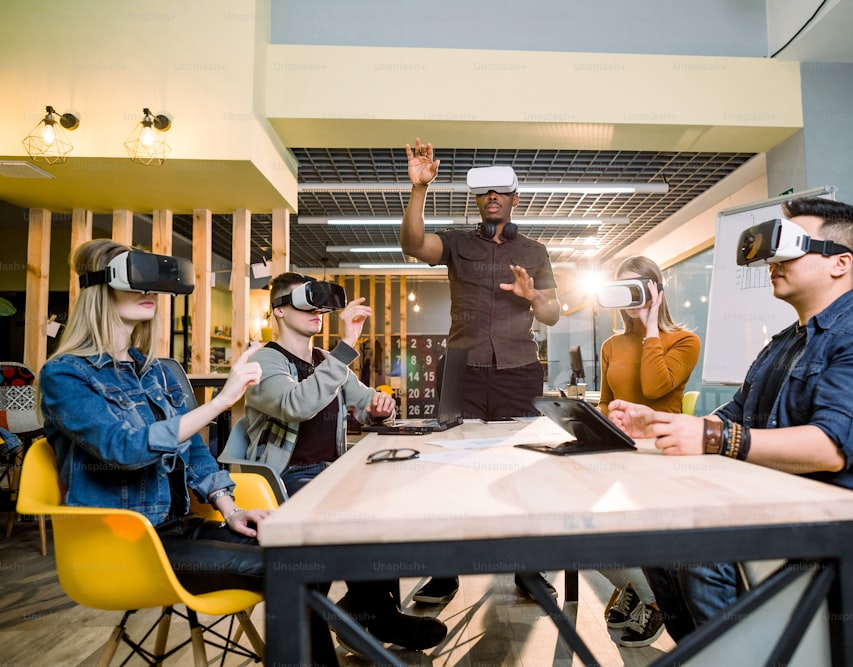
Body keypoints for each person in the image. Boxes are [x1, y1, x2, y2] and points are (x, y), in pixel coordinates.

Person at [608, 197, 853, 645]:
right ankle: (704, 653)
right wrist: (658, 424)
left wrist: (714, 437)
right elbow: (735, 414)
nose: (771, 261)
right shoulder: (783, 343)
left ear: (840, 263)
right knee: (659, 528)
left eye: (790, 246)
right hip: (780, 497)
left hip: (849, 517)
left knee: (703, 547)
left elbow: (828, 449)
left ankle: (746, 655)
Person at [37, 239, 339, 664]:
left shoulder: (157, 372)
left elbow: (195, 453)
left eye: (153, 286)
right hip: (129, 545)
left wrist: (231, 510)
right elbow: (122, 449)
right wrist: (218, 402)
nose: (149, 294)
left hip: (179, 529)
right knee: (294, 572)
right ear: (99, 289)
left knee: (306, 557)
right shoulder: (64, 375)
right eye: (136, 282)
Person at [243, 272, 448, 653]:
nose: (315, 310)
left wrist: (378, 407)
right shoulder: (262, 362)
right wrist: (347, 344)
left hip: (332, 474)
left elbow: (364, 401)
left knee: (390, 509)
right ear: (278, 312)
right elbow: (297, 405)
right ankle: (364, 618)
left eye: (317, 302)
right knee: (354, 521)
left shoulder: (324, 360)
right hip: (286, 482)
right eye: (302, 302)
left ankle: (367, 611)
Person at [400, 137, 561, 605]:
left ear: (513, 199)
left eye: (501, 191)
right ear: (478, 199)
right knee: (450, 470)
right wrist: (418, 190)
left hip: (519, 370)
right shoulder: (455, 243)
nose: (493, 197)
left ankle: (529, 570)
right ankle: (445, 572)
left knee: (526, 468)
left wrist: (533, 296)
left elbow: (552, 312)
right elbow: (413, 244)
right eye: (485, 191)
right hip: (461, 371)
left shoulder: (534, 251)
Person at [596, 255, 701, 648]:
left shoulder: (685, 340)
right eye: (624, 288)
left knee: (650, 544)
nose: (631, 296)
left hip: (662, 455)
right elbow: (607, 401)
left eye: (639, 286)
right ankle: (639, 590)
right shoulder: (610, 344)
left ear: (656, 289)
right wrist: (609, 416)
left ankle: (656, 601)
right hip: (621, 452)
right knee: (589, 531)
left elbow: (656, 388)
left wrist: (651, 324)